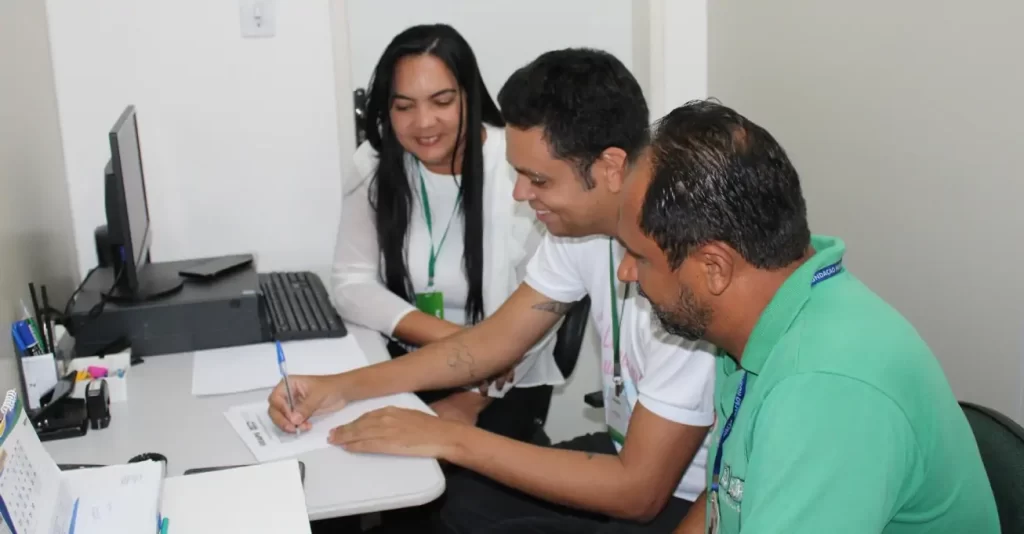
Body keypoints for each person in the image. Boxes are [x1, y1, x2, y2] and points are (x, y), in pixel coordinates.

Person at [270, 48, 717, 533]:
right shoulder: (579, 232)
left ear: (611, 167)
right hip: (623, 454)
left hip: (685, 497)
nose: (520, 194)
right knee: (453, 504)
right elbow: (487, 345)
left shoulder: (684, 274)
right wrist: (336, 388)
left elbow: (639, 495)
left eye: (537, 179)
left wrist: (447, 437)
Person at [610, 100, 1000, 534]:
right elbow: (729, 493)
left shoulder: (823, 387)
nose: (625, 272)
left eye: (639, 257)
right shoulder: (762, 318)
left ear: (714, 268)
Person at [331, 23, 563, 444]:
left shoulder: (515, 167)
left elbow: (546, 311)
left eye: (441, 101)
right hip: (412, 363)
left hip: (501, 384)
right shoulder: (374, 162)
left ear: (469, 96)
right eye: (403, 106)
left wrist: (470, 395)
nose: (423, 123)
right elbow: (350, 284)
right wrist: (461, 342)